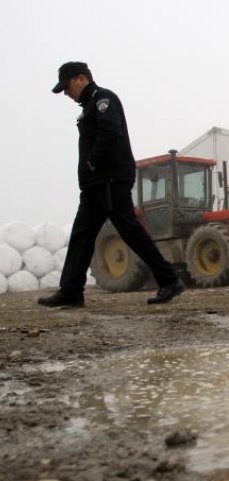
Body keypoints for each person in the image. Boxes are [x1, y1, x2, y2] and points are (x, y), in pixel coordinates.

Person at [38, 62, 185, 308]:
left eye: (66, 86)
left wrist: (93, 162)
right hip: (95, 185)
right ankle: (71, 291)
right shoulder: (88, 105)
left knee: (130, 231)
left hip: (109, 180)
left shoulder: (103, 98)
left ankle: (169, 280)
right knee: (81, 235)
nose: (65, 93)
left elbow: (111, 131)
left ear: (81, 78)